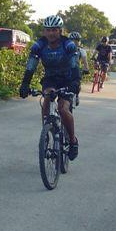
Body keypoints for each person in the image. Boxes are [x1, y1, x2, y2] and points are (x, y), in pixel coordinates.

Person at [19, 15, 80, 160]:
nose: (51, 33)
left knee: (62, 108)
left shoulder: (68, 45)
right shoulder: (38, 45)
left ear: (60, 31)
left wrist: (75, 82)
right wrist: (25, 83)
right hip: (50, 79)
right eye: (48, 30)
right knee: (46, 99)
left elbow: (74, 65)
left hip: (67, 79)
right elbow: (31, 66)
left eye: (54, 30)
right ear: (44, 31)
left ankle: (72, 141)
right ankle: (46, 134)